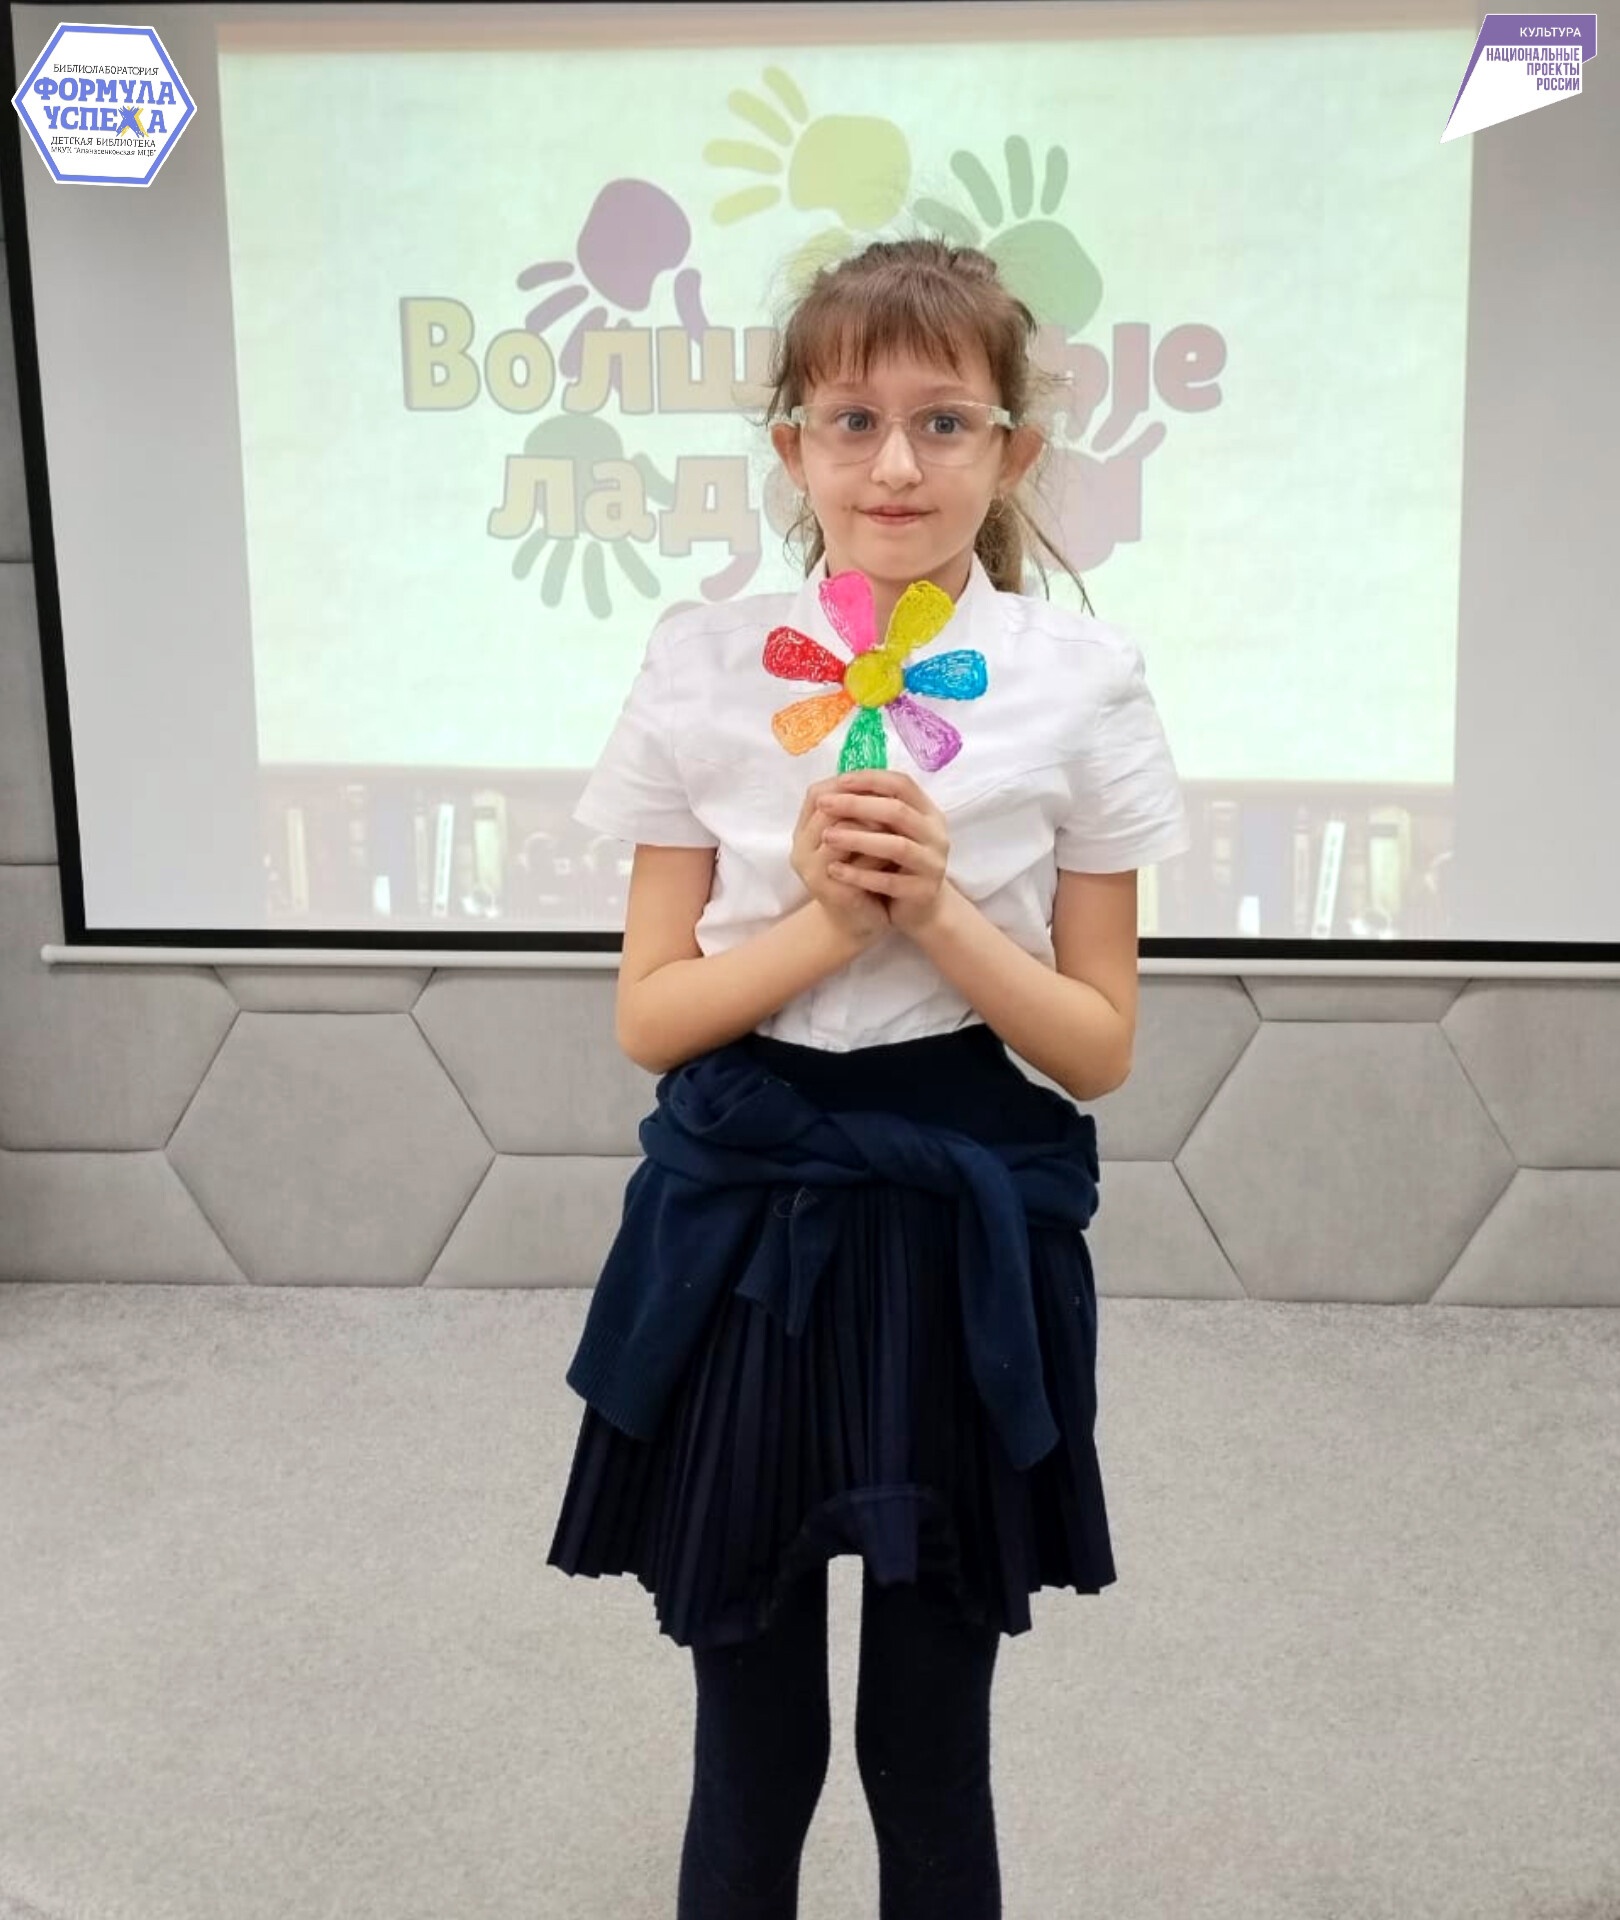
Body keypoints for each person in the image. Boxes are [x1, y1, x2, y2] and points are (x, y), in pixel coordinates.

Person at [546, 236, 1191, 1920]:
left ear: (1014, 451)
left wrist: (937, 915)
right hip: (748, 1213)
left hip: (960, 1211)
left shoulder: (1083, 680)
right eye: (851, 419)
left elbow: (1097, 1045)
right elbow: (653, 1016)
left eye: (945, 421)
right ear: (793, 448)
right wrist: (829, 923)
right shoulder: (700, 660)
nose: (896, 463)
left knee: (928, 1742)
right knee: (752, 1743)